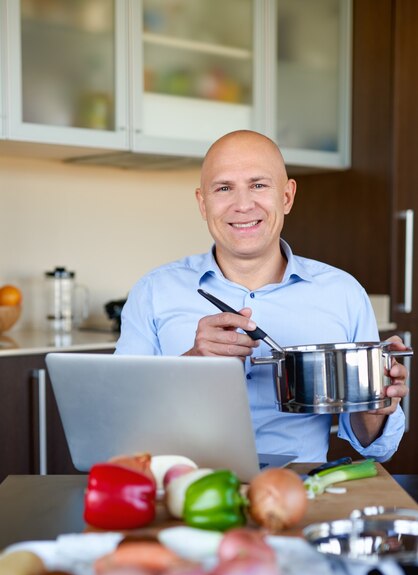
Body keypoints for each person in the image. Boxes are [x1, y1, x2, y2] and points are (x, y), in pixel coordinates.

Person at [115, 130, 409, 463]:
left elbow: (375, 446)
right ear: (203, 202)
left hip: (297, 493)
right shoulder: (153, 291)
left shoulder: (343, 293)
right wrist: (191, 365)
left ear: (286, 196)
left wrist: (377, 404)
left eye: (258, 185)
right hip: (185, 489)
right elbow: (120, 422)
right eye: (224, 188)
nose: (242, 205)